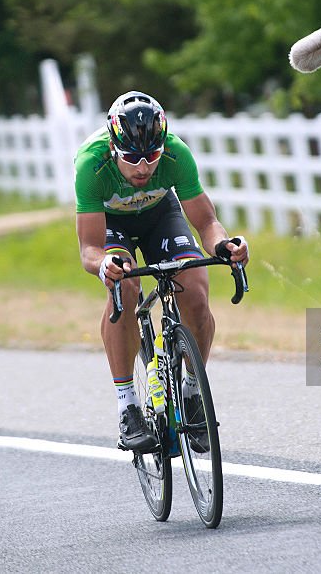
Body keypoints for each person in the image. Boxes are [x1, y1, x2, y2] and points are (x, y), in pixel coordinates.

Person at [74, 91, 249, 452]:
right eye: (132, 157)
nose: (143, 167)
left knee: (196, 294)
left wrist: (224, 246)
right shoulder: (91, 165)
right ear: (112, 146)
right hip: (112, 224)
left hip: (159, 216)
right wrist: (104, 264)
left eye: (151, 156)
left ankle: (191, 391)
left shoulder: (176, 154)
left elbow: (206, 221)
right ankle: (128, 406)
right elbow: (89, 248)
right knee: (126, 289)